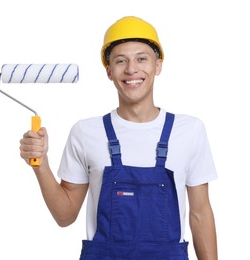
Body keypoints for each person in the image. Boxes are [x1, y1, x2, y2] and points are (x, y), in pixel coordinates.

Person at [20, 16, 218, 259]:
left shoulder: (189, 131)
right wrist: (40, 164)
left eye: (141, 58)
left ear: (158, 65)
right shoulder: (85, 132)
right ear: (109, 71)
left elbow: (200, 214)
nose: (131, 69)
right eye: (120, 61)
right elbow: (65, 216)